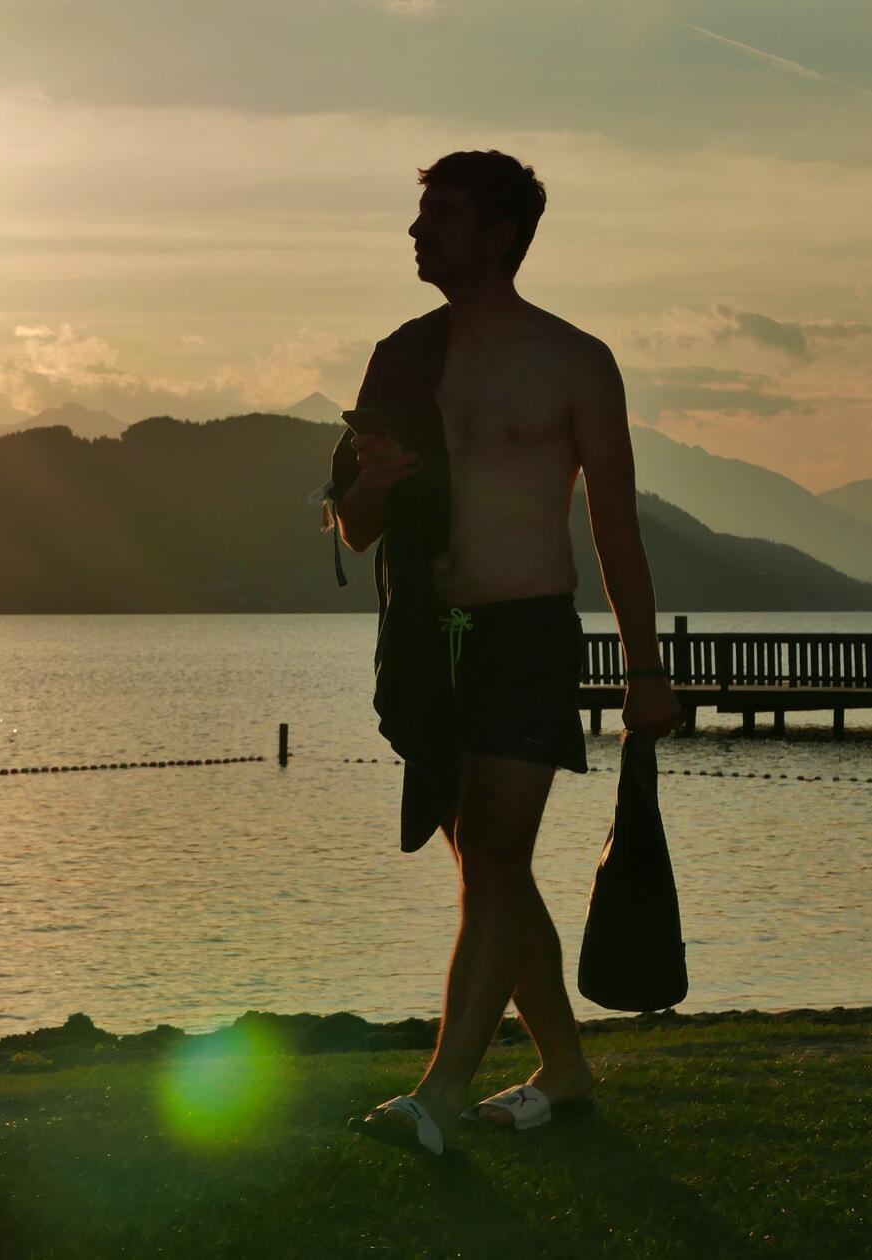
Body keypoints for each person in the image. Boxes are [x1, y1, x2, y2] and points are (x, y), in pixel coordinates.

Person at [330, 151, 682, 1156]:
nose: (415, 231)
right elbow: (352, 530)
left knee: (492, 856)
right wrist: (377, 486)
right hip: (425, 644)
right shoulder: (399, 357)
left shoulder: (575, 361)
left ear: (496, 238)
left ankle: (438, 1100)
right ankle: (563, 1068)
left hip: (526, 633)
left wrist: (643, 670)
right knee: (489, 868)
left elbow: (615, 529)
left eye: (438, 216)